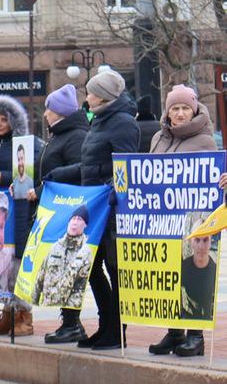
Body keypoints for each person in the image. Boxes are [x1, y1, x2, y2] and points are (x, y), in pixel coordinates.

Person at [148, 86, 217, 356]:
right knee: (167, 273)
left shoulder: (204, 141)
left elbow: (212, 176)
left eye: (185, 108)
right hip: (163, 219)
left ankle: (195, 336)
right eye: (174, 108)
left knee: (193, 274)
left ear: (195, 110)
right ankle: (174, 333)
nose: (179, 113)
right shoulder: (158, 138)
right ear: (167, 111)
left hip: (193, 220)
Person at [74, 69, 141, 350]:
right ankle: (106, 324)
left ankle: (117, 330)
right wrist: (58, 175)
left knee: (115, 271)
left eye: (90, 92)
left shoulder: (123, 122)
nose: (86, 97)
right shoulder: (98, 121)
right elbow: (89, 163)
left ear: (102, 96)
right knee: (91, 268)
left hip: (113, 211)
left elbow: (126, 167)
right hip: (95, 208)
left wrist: (108, 189)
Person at [0, 95, 38, 336]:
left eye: (4, 119)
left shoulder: (22, 144)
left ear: (14, 121)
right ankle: (8, 313)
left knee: (18, 263)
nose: (0, 124)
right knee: (4, 263)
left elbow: (27, 174)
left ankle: (24, 316)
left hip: (19, 210)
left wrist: (3, 177)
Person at [37, 84, 92, 343]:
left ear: (58, 112)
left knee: (72, 266)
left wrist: (47, 184)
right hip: (57, 209)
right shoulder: (59, 134)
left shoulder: (75, 136)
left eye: (49, 108)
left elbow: (78, 170)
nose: (45, 113)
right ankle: (70, 321)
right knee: (61, 264)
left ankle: (72, 323)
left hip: (70, 211)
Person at [33, 204, 96, 310]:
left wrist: (69, 314)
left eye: (79, 219)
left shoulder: (85, 252)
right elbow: (40, 276)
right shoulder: (56, 247)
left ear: (85, 225)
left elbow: (80, 287)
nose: (75, 222)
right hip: (46, 307)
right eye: (73, 218)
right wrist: (34, 302)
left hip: (69, 309)